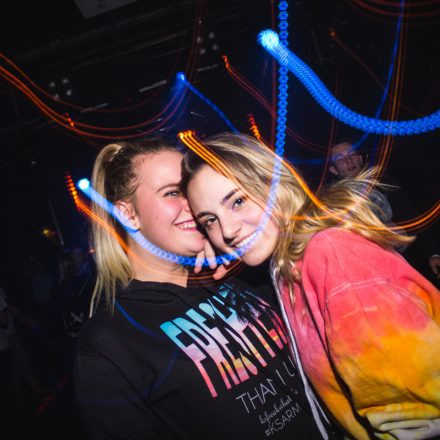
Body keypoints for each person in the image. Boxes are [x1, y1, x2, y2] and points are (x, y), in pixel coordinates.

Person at [182, 132, 440, 440]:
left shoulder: (329, 253)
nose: (226, 230)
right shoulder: (288, 266)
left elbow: (415, 418)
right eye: (209, 221)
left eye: (238, 201)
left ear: (274, 184)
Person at [74, 139, 325, 439]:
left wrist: (244, 251)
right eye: (172, 193)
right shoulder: (110, 341)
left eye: (189, 191)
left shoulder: (240, 273)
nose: (192, 205)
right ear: (128, 214)